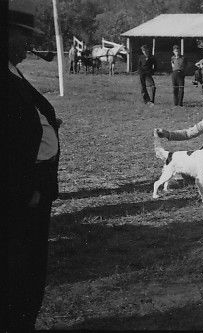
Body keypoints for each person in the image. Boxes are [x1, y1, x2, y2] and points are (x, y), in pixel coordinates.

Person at [6, 0, 61, 331]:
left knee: (28, 271)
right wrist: (28, 191)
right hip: (21, 195)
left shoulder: (13, 70)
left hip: (34, 189)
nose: (29, 43)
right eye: (23, 35)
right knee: (18, 271)